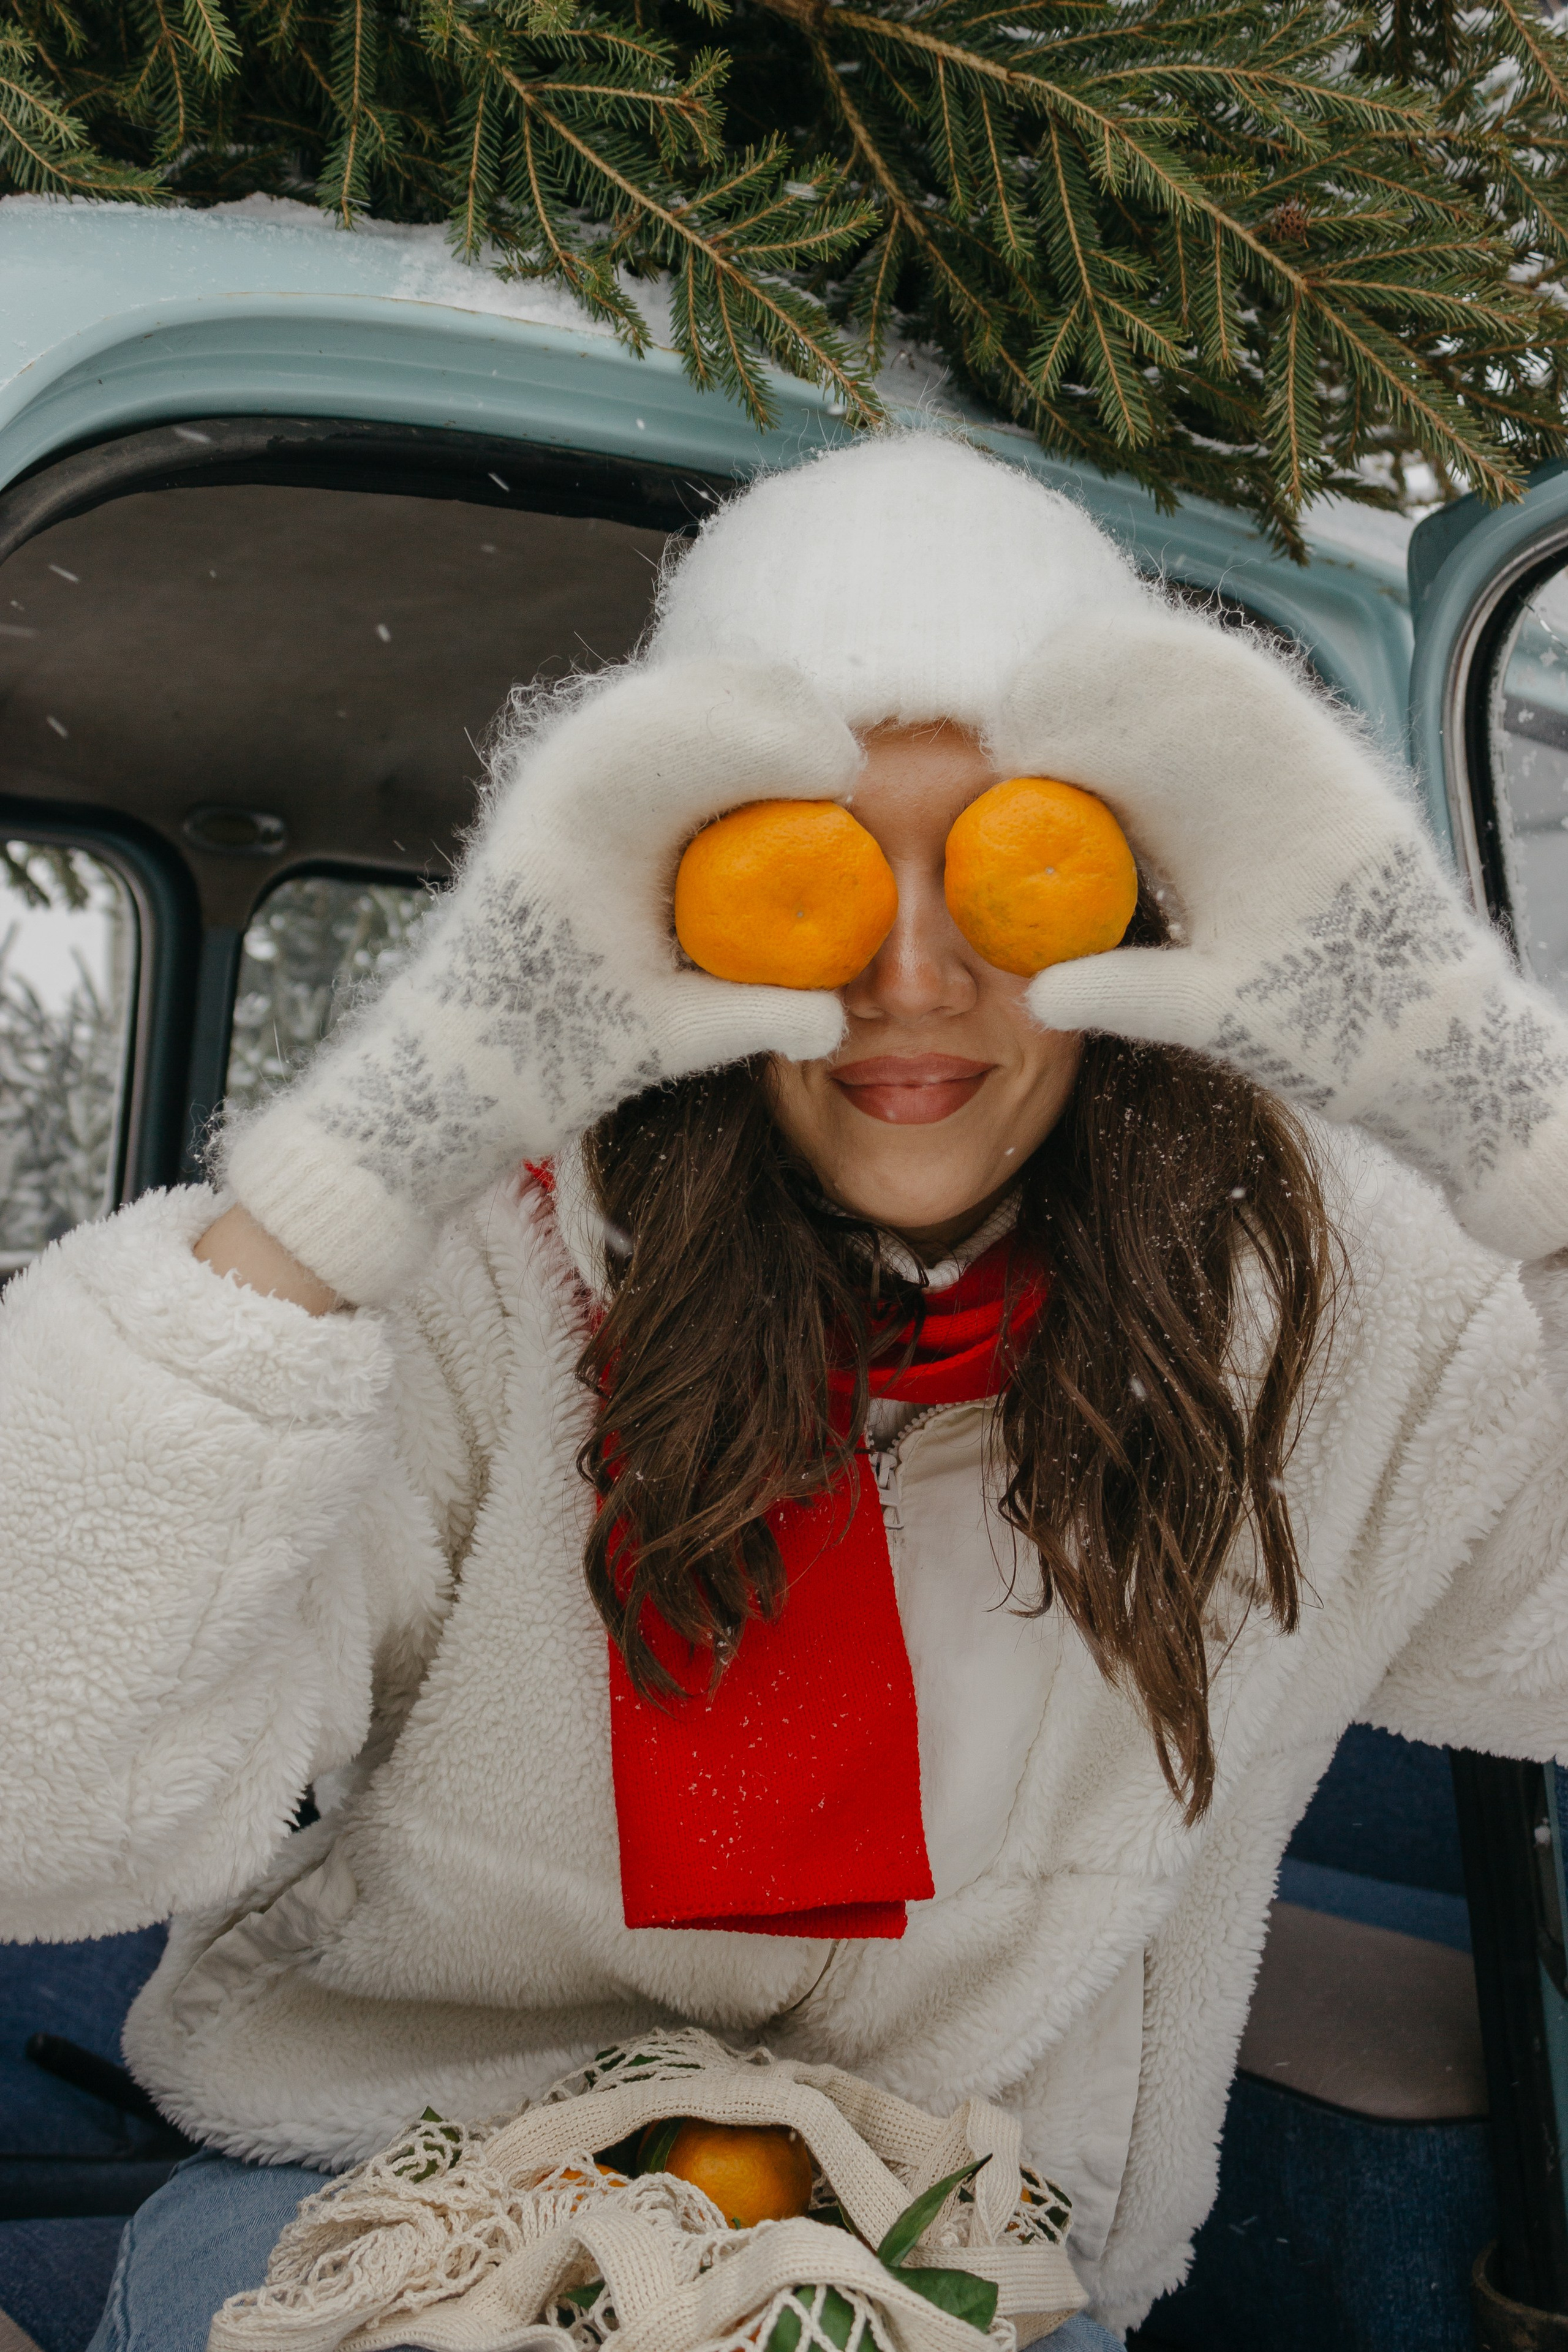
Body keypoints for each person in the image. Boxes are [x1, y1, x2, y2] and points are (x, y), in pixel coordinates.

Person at [4, 431, 1568, 2352]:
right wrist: (352, 1180)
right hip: (383, 2185)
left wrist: (1516, 1125)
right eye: (824, 880)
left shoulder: (1311, 1317)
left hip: (954, 2246)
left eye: (1004, 873)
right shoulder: (490, 1271)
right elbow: (36, 1803)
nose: (913, 979)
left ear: (1131, 904)